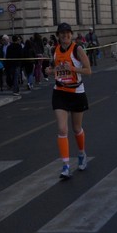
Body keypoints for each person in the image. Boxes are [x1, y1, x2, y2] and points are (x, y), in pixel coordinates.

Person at [45, 22, 92, 179]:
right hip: (60, 92)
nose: (65, 36)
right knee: (62, 129)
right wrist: (49, 71)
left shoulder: (77, 49)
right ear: (58, 36)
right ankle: (65, 165)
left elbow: (88, 70)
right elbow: (52, 68)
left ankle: (81, 153)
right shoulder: (55, 50)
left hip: (76, 92)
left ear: (71, 35)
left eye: (67, 33)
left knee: (76, 128)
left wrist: (73, 69)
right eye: (62, 33)